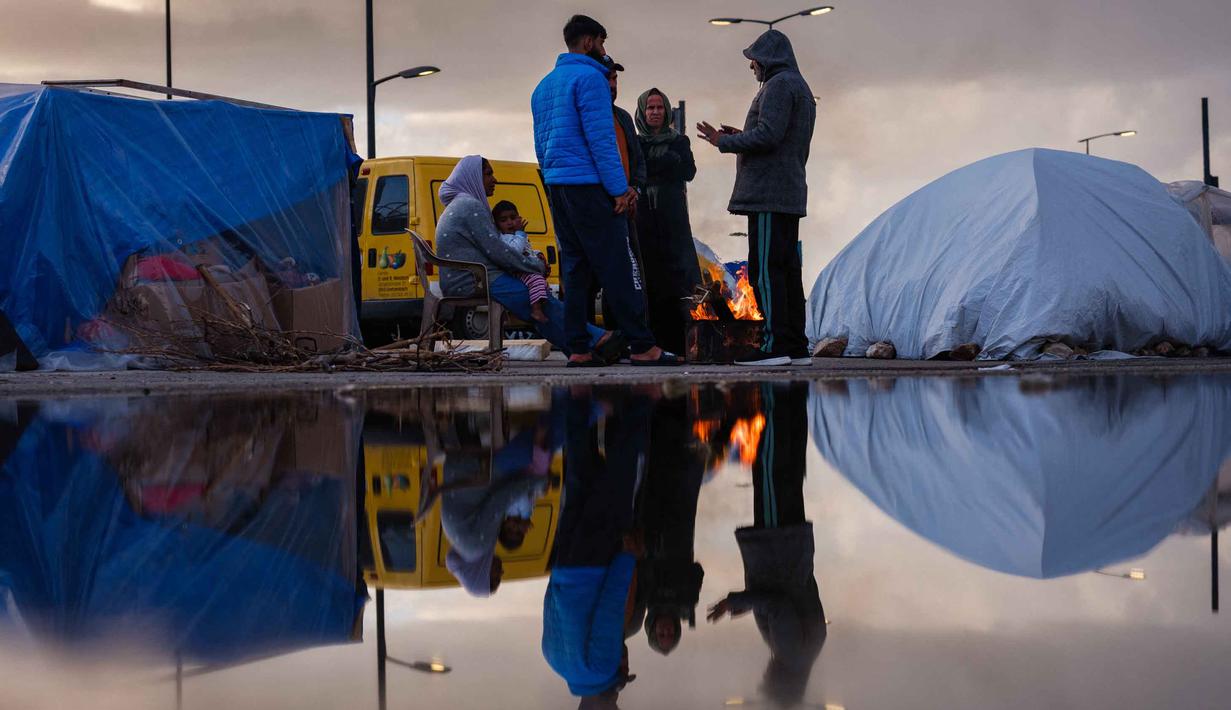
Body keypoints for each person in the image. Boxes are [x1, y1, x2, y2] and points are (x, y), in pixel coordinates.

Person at [531, 14, 682, 367]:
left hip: (557, 185)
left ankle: (579, 349)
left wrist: (552, 178)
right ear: (589, 42)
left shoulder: (544, 86)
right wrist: (619, 190)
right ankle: (643, 346)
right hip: (589, 186)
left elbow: (540, 144)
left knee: (576, 268)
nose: (604, 50)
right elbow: (601, 141)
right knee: (620, 264)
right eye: (602, 42)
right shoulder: (592, 78)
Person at [696, 30, 816, 367]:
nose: (752, 66)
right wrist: (742, 135)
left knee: (766, 271)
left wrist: (724, 141)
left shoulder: (778, 86)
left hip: (769, 194)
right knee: (787, 270)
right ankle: (795, 345)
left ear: (769, 59)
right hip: (788, 192)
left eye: (754, 60)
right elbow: (779, 137)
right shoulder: (800, 87)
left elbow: (769, 136)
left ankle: (774, 345)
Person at [434, 155, 625, 363]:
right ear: (472, 177)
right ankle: (598, 340)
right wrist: (535, 266)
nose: (494, 179)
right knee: (536, 299)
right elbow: (499, 252)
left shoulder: (463, 204)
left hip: (474, 277)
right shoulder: (470, 206)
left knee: (537, 301)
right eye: (488, 174)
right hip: (472, 280)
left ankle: (580, 351)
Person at [707, 382, 826, 708]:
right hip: (778, 544)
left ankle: (788, 399)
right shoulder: (791, 653)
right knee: (771, 467)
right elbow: (777, 605)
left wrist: (747, 605)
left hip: (791, 546)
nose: (762, 679)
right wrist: (736, 601)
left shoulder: (807, 652)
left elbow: (783, 604)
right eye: (766, 686)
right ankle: (776, 397)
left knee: (783, 471)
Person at [543, 387, 652, 706]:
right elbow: (551, 601)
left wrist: (628, 559)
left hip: (597, 559)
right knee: (580, 472)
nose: (626, 663)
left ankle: (637, 397)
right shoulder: (553, 659)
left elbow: (610, 607)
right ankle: (576, 396)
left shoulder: (600, 668)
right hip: (565, 560)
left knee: (621, 474)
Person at [635, 87, 702, 355]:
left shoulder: (679, 141)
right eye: (650, 108)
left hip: (673, 223)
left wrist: (657, 166)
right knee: (649, 280)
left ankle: (682, 344)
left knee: (679, 281)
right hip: (644, 222)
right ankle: (653, 344)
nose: (654, 112)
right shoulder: (635, 143)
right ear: (642, 111)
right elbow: (636, 173)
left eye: (659, 107)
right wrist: (664, 165)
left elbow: (688, 170)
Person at [586, 54, 649, 335]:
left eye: (614, 79)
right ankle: (592, 339)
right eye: (606, 78)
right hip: (595, 207)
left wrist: (634, 188)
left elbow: (637, 161)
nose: (612, 85)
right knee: (589, 277)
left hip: (626, 210)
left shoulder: (623, 117)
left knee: (628, 275)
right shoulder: (586, 114)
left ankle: (624, 335)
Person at [492, 200, 550, 324]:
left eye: (513, 217)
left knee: (543, 285)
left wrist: (537, 254)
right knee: (536, 280)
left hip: (525, 268)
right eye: (503, 220)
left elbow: (526, 250)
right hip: (517, 271)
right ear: (497, 225)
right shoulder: (503, 238)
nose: (509, 222)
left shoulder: (518, 235)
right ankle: (536, 310)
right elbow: (515, 252)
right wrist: (520, 233)